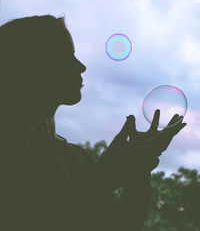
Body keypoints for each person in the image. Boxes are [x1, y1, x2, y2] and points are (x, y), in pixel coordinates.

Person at [0, 15, 186, 231]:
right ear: (30, 65)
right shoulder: (12, 159)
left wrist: (139, 167)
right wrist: (105, 178)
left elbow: (123, 225)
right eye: (66, 56)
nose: (82, 67)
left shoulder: (76, 156)